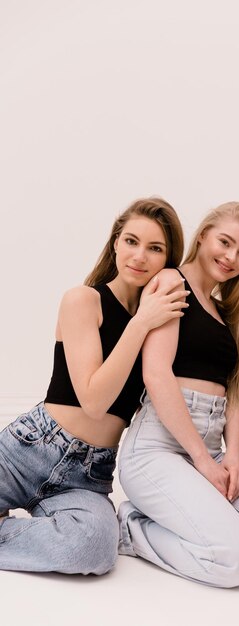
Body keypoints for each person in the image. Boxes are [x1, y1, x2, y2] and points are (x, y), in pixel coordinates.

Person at [118, 201, 239, 588]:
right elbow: (156, 375)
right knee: (235, 563)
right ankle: (130, 527)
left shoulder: (228, 312)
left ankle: (201, 523)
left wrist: (235, 458)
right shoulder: (171, 282)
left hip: (211, 445)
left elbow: (234, 393)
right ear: (203, 234)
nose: (231, 258)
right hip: (158, 446)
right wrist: (203, 460)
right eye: (225, 242)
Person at [0, 197, 188, 575]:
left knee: (95, 551)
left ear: (168, 259)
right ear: (115, 242)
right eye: (131, 241)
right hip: (30, 449)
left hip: (89, 474)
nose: (139, 256)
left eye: (155, 248)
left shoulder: (163, 324)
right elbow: (94, 400)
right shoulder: (84, 300)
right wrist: (140, 323)